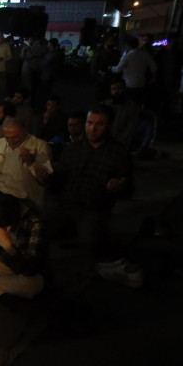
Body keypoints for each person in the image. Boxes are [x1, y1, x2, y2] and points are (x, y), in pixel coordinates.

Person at [48, 106, 137, 284]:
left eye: (99, 124)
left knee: (90, 245)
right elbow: (57, 181)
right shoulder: (72, 149)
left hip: (93, 208)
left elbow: (129, 190)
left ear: (109, 126)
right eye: (89, 123)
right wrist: (44, 175)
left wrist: (118, 187)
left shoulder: (118, 153)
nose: (92, 128)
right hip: (66, 204)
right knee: (44, 231)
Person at [0, 118, 52, 207]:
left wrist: (31, 163)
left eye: (15, 137)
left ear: (25, 131)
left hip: (25, 197)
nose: (10, 141)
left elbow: (46, 179)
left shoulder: (40, 146)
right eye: (7, 137)